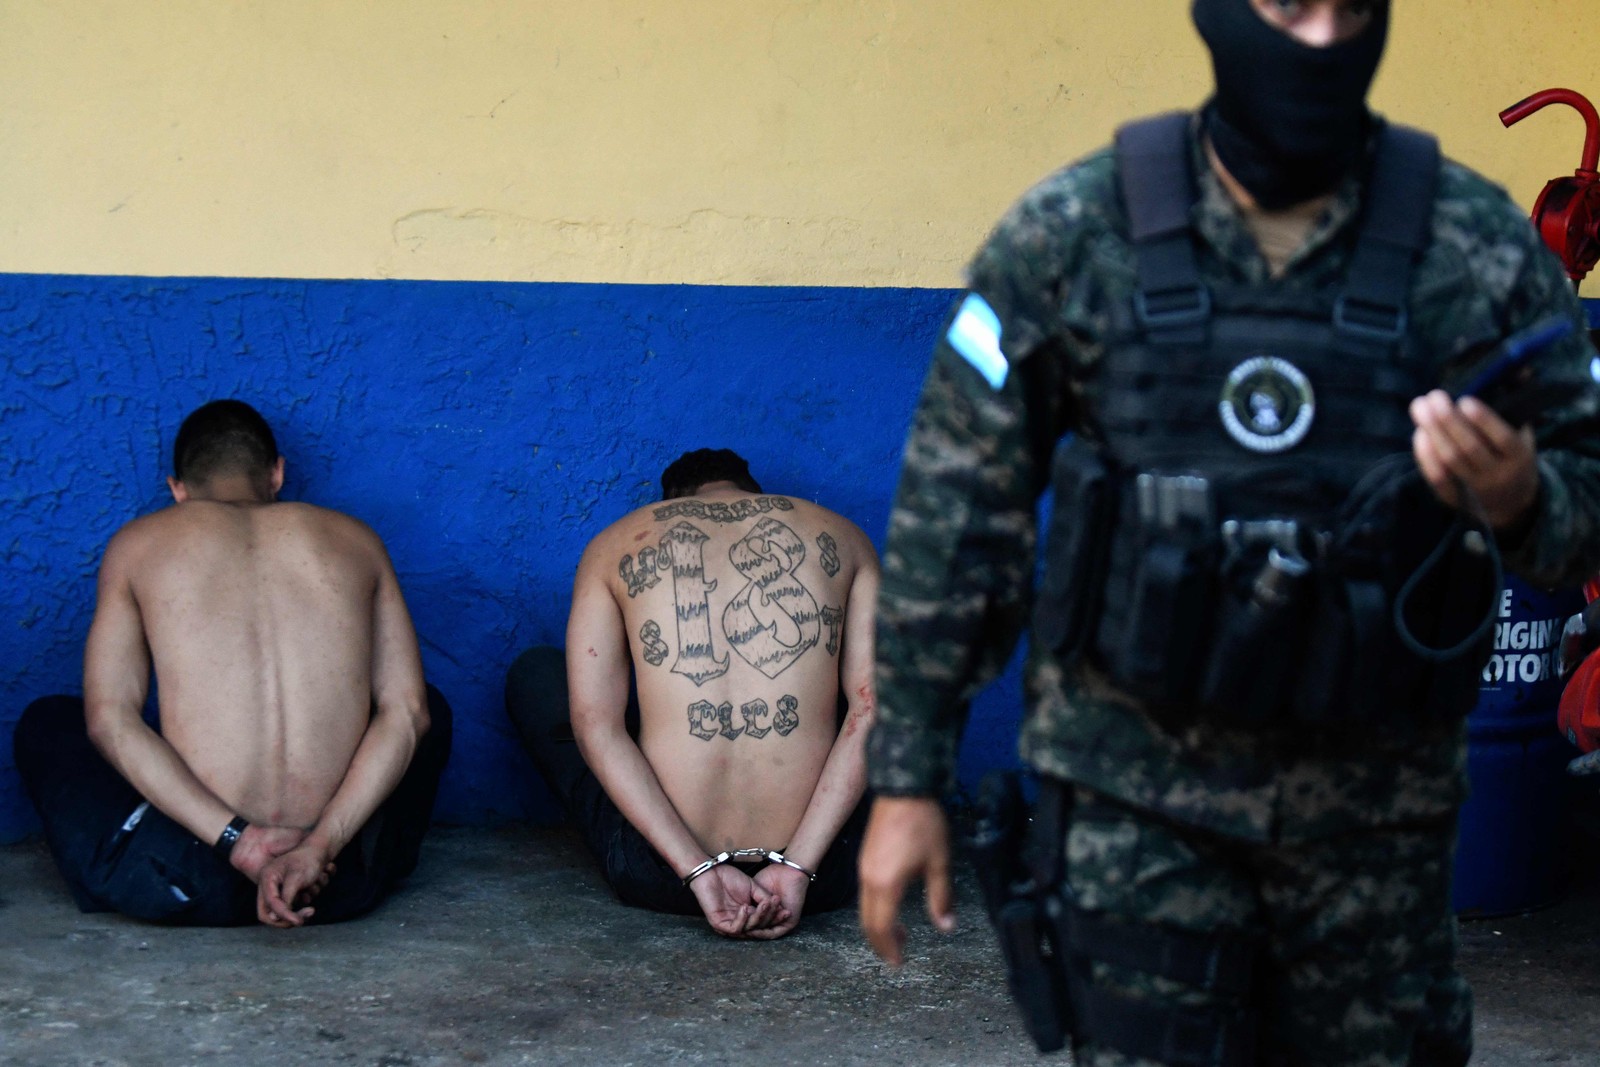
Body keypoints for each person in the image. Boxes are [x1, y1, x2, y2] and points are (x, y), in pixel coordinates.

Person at [857, 1, 1600, 1064]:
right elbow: (955, 516)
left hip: (1371, 829)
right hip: (1136, 814)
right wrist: (906, 775)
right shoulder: (1076, 232)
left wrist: (1524, 494)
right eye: (1285, 6)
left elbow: (1587, 502)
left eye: (1346, 10)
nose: (1314, 40)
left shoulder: (1472, 247)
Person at [13, 399, 451, 928]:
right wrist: (317, 849)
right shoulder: (357, 541)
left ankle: (220, 852)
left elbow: (110, 721)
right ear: (277, 473)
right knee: (426, 707)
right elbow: (408, 715)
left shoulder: (138, 545)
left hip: (189, 879)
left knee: (50, 721)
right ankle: (318, 854)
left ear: (177, 487)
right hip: (337, 880)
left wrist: (241, 843)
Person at [506, 448, 878, 939]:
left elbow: (595, 726)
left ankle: (686, 851)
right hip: (816, 878)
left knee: (539, 674)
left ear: (672, 502)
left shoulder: (613, 543)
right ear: (754, 492)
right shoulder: (845, 536)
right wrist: (797, 869)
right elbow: (876, 712)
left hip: (665, 877)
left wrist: (699, 872)